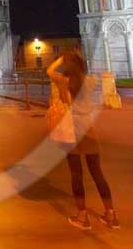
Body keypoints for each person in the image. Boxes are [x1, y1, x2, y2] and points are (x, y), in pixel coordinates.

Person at [47, 52, 119, 230]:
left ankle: (82, 216)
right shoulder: (90, 81)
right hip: (89, 130)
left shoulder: (64, 81)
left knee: (76, 175)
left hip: (71, 132)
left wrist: (61, 60)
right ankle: (111, 214)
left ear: (67, 65)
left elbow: (49, 71)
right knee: (97, 173)